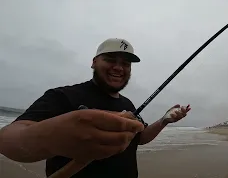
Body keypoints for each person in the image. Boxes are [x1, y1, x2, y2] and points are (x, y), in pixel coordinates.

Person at [0, 38, 191, 178]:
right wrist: (52, 136)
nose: (118, 67)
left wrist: (165, 120)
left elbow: (139, 138)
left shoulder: (128, 105)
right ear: (94, 62)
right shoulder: (63, 96)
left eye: (125, 63)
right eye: (110, 59)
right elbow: (7, 139)